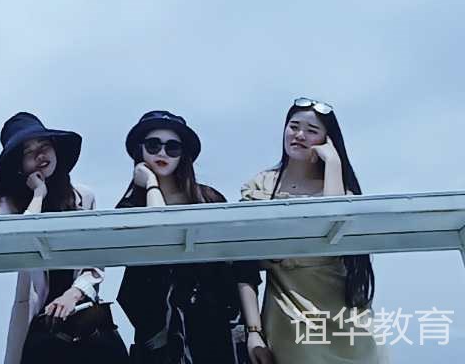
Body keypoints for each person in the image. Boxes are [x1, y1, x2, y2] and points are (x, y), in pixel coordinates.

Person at [238, 97, 385, 363]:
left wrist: (333, 163)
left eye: (312, 130)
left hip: (345, 317)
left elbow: (332, 226)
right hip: (288, 314)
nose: (299, 135)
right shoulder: (261, 186)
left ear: (327, 140)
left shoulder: (338, 189)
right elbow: (242, 262)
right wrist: (253, 331)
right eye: (294, 126)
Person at [0, 111, 129, 364]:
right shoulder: (8, 204)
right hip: (40, 325)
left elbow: (95, 261)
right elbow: (17, 242)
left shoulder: (83, 197)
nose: (40, 155)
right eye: (28, 152)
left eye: (44, 146)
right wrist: (38, 196)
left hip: (86, 320)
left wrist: (74, 293)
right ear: (19, 165)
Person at [116, 110, 253, 364]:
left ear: (184, 154)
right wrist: (151, 184)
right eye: (153, 145)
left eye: (173, 147)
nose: (162, 153)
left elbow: (240, 265)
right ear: (140, 150)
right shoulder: (129, 208)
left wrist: (253, 331)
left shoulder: (209, 199)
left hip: (215, 327)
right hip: (160, 335)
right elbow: (160, 232)